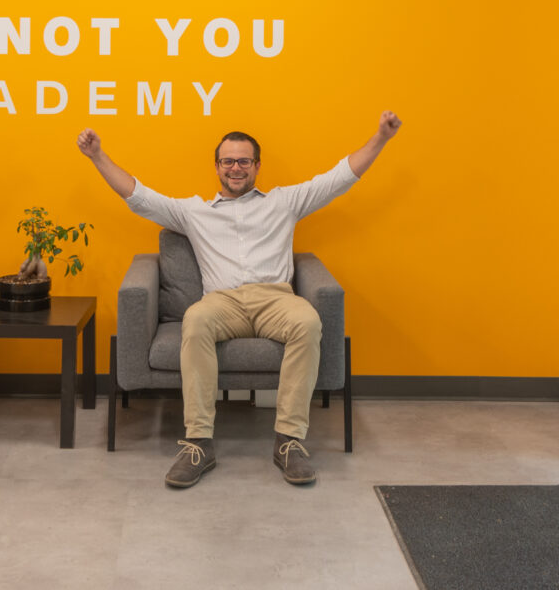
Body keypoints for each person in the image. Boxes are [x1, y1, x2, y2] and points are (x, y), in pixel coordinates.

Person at [77, 112, 402, 488]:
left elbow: (340, 178)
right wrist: (97, 156)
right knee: (194, 320)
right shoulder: (193, 211)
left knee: (308, 321)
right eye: (228, 161)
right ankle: (198, 443)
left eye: (244, 161)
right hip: (222, 302)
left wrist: (380, 137)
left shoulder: (285, 202)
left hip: (275, 298)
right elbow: (137, 195)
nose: (236, 168)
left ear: (257, 165)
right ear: (217, 167)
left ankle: (288, 441)